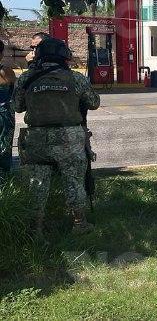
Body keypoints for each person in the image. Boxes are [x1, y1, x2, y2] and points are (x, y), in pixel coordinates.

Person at [14, 37, 100, 235]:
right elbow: (94, 102)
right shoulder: (76, 78)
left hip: (36, 139)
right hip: (69, 139)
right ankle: (79, 224)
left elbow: (18, 106)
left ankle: (36, 229)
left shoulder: (27, 78)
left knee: (37, 183)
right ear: (64, 56)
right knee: (74, 181)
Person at [0, 41, 16, 181]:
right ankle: (4, 180)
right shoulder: (7, 72)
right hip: (4, 115)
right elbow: (15, 94)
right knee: (4, 147)